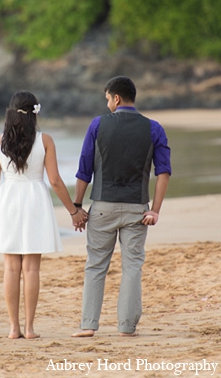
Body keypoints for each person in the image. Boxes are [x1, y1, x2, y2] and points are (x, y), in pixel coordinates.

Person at [72, 76, 171, 338]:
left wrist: (78, 207)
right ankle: (127, 328)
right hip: (137, 210)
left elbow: (84, 171)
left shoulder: (97, 125)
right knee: (132, 267)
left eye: (107, 99)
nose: (107, 104)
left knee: (95, 266)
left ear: (116, 98)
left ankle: (88, 325)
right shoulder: (154, 128)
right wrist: (155, 210)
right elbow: (163, 173)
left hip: (102, 207)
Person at [0, 90, 87, 340]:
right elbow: (54, 180)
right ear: (35, 114)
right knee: (31, 269)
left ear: (9, 113)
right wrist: (74, 211)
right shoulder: (45, 141)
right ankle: (30, 329)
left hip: (7, 203)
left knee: (11, 268)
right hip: (35, 203)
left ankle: (13, 329)